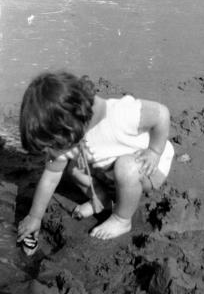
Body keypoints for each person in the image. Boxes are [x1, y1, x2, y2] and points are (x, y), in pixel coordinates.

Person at [17, 71, 174, 242]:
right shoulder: (67, 136)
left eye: (54, 144)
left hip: (146, 166)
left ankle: (122, 219)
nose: (54, 150)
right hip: (108, 168)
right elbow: (50, 177)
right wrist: (35, 217)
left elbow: (162, 114)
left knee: (126, 168)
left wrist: (154, 151)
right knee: (72, 168)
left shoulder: (119, 115)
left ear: (69, 127)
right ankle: (100, 198)